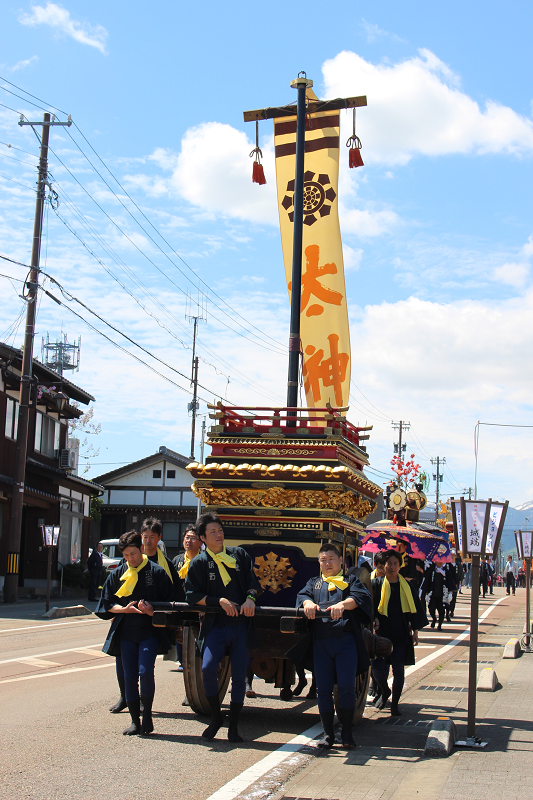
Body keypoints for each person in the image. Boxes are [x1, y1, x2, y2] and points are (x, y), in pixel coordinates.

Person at [185, 512, 261, 743]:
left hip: (240, 626)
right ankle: (216, 717)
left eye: (220, 530)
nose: (218, 535)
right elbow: (191, 596)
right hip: (215, 626)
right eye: (212, 532)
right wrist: (217, 601)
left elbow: (252, 583)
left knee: (239, 677)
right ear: (202, 538)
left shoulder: (238, 555)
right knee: (208, 669)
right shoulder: (199, 562)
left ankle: (234, 726)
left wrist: (250, 599)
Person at [95, 530, 174, 736]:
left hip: (149, 631)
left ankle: (147, 715)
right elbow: (107, 603)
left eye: (133, 554)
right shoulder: (118, 573)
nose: (130, 559)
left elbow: (172, 602)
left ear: (141, 549)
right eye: (126, 555)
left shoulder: (156, 572)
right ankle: (134, 721)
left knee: (145, 671)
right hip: (125, 632)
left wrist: (152, 611)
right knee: (129, 677)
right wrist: (124, 609)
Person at [297, 543, 372, 749]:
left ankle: (346, 733)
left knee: (347, 688)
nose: (328, 563)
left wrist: (343, 604)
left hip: (345, 642)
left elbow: (361, 598)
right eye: (323, 560)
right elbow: (302, 596)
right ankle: (328, 734)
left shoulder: (351, 581)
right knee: (323, 690)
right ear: (319, 563)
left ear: (341, 561)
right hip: (321, 643)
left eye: (331, 559)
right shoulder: (314, 583)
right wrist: (307, 604)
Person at [372, 549, 427, 716]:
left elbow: (415, 610)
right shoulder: (377, 584)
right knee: (377, 669)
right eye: (389, 563)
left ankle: (395, 704)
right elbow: (370, 607)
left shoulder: (407, 586)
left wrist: (415, 632)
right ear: (384, 565)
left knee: (398, 671)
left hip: (401, 633)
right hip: (381, 633)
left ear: (400, 565)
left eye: (396, 563)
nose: (392, 566)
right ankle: (384, 690)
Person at [172, 524, 201, 689]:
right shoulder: (177, 561)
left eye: (193, 538)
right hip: (181, 610)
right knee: (182, 650)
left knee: (197, 653)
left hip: (199, 610)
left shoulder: (204, 560)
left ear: (200, 541)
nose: (189, 541)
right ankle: (189, 688)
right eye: (187, 537)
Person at [141, 517, 183, 600]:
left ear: (159, 538)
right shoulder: (134, 560)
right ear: (141, 536)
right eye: (145, 537)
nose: (148, 540)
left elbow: (177, 589)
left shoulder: (167, 563)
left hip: (160, 607)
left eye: (152, 537)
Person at [421, 561, 456, 629]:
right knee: (431, 609)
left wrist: (451, 592)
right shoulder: (432, 571)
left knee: (441, 611)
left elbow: (450, 581)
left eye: (441, 561)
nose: (439, 562)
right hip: (433, 594)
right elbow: (427, 581)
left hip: (442, 595)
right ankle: (434, 619)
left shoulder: (446, 571)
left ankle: (440, 625)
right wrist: (426, 592)